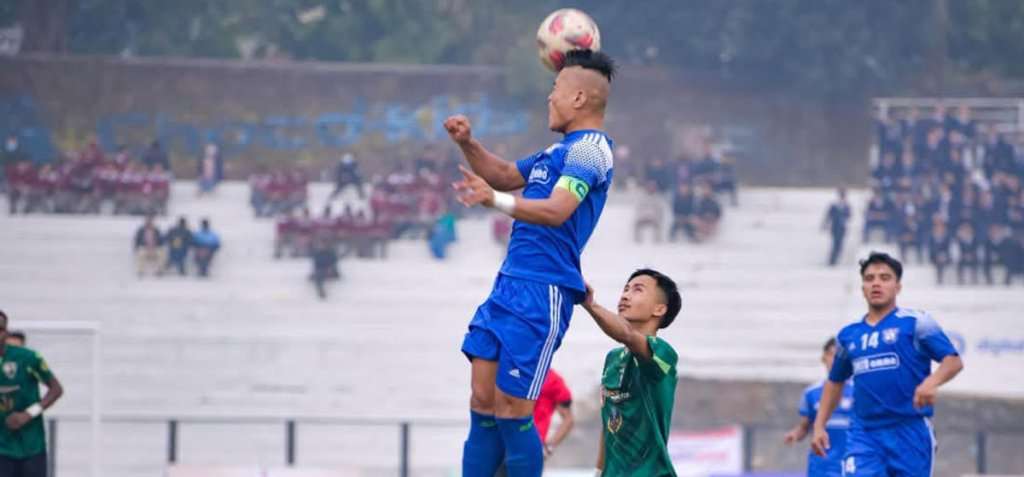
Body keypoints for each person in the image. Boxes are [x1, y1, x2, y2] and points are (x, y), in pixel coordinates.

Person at [447, 49, 616, 477]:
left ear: (579, 98)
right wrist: (467, 143)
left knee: (513, 407)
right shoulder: (555, 151)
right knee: (482, 400)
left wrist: (495, 201)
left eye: (556, 89)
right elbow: (504, 174)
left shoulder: (591, 151)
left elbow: (558, 210)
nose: (549, 97)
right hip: (508, 283)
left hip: (544, 289)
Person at [811, 252, 964, 476]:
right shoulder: (848, 336)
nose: (876, 283)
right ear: (863, 288)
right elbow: (835, 382)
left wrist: (931, 382)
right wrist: (819, 425)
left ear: (897, 286)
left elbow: (953, 361)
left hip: (910, 432)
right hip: (863, 434)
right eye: (870, 278)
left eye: (884, 278)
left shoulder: (917, 323)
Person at [580, 269, 681, 477]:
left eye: (637, 290)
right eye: (625, 289)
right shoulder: (613, 358)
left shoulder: (663, 353)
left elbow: (626, 335)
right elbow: (609, 421)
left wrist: (589, 304)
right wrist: (598, 472)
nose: (625, 295)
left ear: (659, 309)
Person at [0, 310, 64, 477]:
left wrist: (28, 414)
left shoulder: (28, 358)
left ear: (6, 332)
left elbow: (56, 389)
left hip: (31, 447)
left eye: (0, 329)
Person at [783, 338, 854, 477]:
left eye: (839, 356)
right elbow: (805, 426)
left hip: (851, 463)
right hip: (822, 465)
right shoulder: (811, 393)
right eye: (831, 354)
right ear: (823, 358)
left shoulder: (858, 391)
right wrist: (795, 434)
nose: (835, 360)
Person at [533, 369, 574, 459]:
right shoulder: (506, 371)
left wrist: (549, 447)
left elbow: (568, 419)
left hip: (533, 448)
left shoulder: (552, 379)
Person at [823, 188, 851, 266]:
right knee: (835, 244)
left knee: (840, 245)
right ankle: (832, 260)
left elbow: (849, 216)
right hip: (835, 227)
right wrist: (825, 224)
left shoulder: (846, 206)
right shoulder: (834, 205)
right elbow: (828, 216)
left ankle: (835, 260)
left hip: (842, 228)